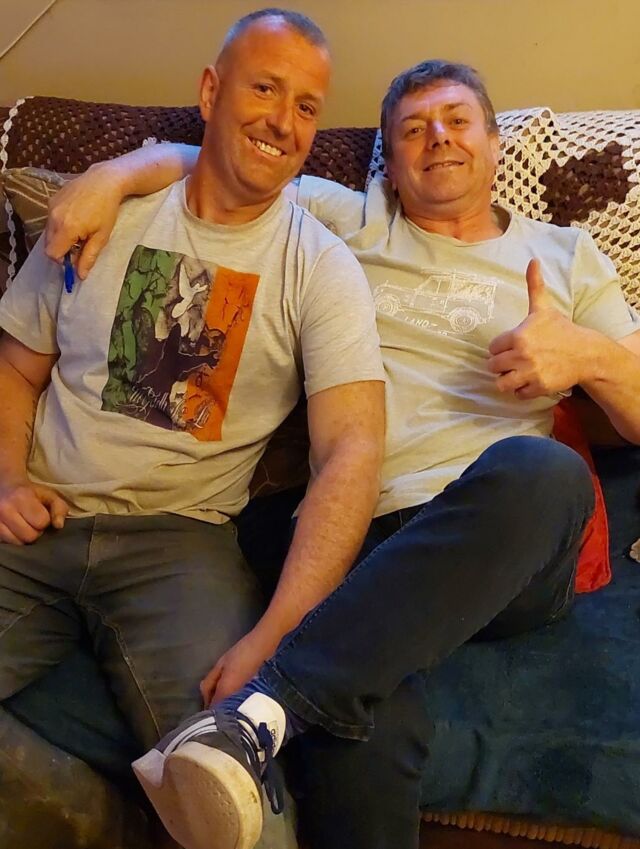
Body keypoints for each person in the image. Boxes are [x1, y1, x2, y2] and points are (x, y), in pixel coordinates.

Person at [42, 57, 640, 849]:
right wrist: (110, 176)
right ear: (389, 162)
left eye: (458, 121)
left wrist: (586, 357)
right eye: (413, 129)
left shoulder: (566, 254)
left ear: (495, 143)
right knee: (364, 724)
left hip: (506, 539)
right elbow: (221, 164)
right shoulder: (349, 220)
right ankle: (297, 704)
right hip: (362, 533)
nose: (438, 138)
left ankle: (264, 706)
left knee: (545, 470)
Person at [0, 9, 386, 848]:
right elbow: (17, 368)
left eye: (308, 106)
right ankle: (83, 812)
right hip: (35, 522)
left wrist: (277, 635)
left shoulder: (321, 268)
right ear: (211, 93)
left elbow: (352, 451)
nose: (284, 121)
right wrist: (7, 479)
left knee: (236, 807)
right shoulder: (103, 211)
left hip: (180, 543)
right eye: (265, 89)